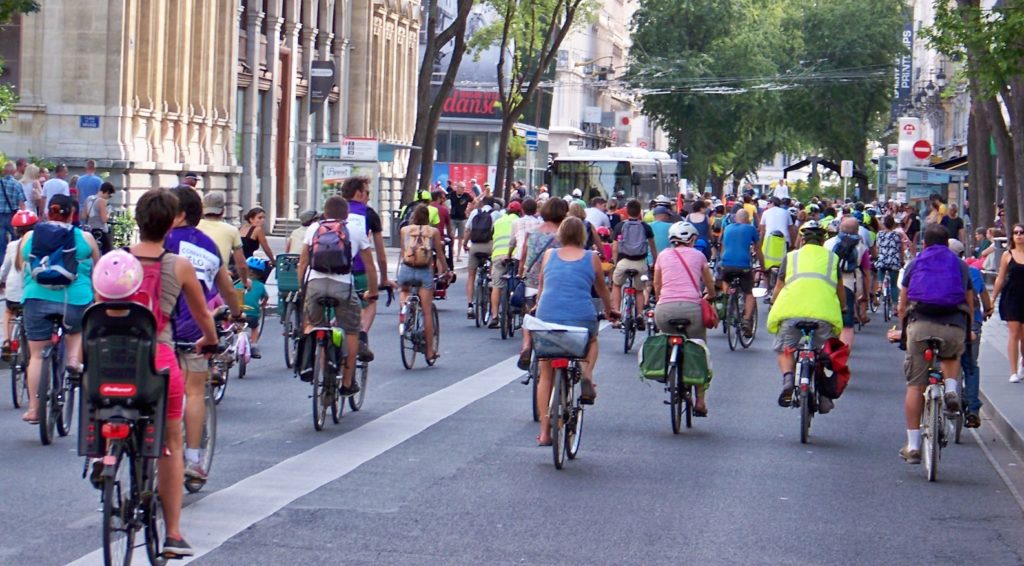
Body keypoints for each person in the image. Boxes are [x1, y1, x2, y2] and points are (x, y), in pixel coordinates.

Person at [105, 188, 219, 557]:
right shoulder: (179, 265)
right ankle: (171, 533)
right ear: (172, 223)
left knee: (103, 407)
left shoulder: (113, 261)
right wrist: (209, 340)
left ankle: (103, 456)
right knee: (170, 443)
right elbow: (203, 316)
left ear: (136, 221)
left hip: (112, 359)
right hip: (159, 359)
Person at [164, 185, 242, 483]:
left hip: (156, 329)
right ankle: (194, 459)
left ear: (178, 214)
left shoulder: (158, 239)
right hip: (193, 331)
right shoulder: (207, 246)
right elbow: (227, 288)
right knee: (195, 391)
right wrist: (236, 314)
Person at [16, 194, 100, 424]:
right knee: (75, 332)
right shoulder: (84, 237)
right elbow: (99, 268)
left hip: (36, 299)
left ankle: (34, 409)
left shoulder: (30, 236)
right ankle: (73, 361)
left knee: (36, 356)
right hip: (74, 300)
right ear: (71, 214)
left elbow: (21, 262)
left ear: (47, 213)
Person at [534, 217, 617, 445]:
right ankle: (587, 375)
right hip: (581, 318)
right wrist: (611, 311)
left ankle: (544, 432)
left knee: (546, 372)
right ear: (583, 236)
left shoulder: (549, 255)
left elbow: (543, 287)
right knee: (592, 341)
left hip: (548, 317)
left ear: (561, 235)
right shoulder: (592, 258)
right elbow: (602, 290)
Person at [898, 224, 972, 464]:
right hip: (952, 326)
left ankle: (913, 445)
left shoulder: (916, 262)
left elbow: (903, 303)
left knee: (915, 385)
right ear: (948, 243)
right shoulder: (960, 265)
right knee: (951, 356)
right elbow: (969, 303)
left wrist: (903, 330)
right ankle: (951, 389)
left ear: (925, 243)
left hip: (920, 325)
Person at [296, 195, 378, 395]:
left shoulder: (314, 228)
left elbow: (303, 263)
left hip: (315, 285)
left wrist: (303, 289)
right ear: (346, 214)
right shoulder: (355, 230)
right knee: (351, 330)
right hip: (342, 286)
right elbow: (369, 266)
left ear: (325, 212)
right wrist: (373, 292)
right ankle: (347, 382)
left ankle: (314, 366)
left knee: (313, 324)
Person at [767, 221, 846, 411]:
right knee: (824, 353)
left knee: (786, 348)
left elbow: (778, 288)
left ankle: (788, 379)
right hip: (823, 314)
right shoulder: (832, 259)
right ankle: (824, 395)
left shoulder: (791, 257)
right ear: (823, 240)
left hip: (791, 311)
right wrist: (842, 308)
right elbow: (840, 290)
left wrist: (772, 304)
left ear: (802, 239)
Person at [653, 221, 717, 415]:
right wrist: (711, 295)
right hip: (692, 309)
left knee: (665, 338)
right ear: (692, 239)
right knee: (699, 349)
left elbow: (657, 284)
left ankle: (666, 368)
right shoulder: (698, 256)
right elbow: (709, 283)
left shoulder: (663, 256)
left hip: (665, 309)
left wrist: (661, 299)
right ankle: (700, 401)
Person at [341, 177, 392, 361]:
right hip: (360, 271)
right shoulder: (369, 214)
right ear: (359, 193)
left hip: (331, 272)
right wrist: (384, 279)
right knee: (370, 301)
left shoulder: (334, 211)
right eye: (367, 193)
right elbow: (380, 254)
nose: (368, 197)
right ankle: (361, 335)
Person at [516, 198, 568, 369]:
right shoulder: (562, 236)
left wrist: (520, 273)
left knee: (529, 314)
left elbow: (524, 255)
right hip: (554, 281)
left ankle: (526, 346)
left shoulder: (532, 233)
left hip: (531, 280)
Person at [396, 204, 449, 362]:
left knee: (404, 291)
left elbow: (403, 251)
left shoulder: (404, 230)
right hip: (424, 271)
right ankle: (429, 352)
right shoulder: (433, 232)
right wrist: (446, 270)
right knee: (426, 312)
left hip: (406, 269)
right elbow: (439, 254)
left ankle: (405, 312)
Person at [949, 238, 991, 428]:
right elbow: (983, 296)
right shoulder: (973, 271)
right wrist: (988, 310)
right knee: (971, 367)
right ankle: (973, 410)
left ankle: (943, 394)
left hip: (949, 323)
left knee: (943, 361)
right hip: (972, 323)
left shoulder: (944, 272)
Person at [824, 217, 871, 347]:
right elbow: (866, 273)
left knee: (826, 319)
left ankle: (826, 348)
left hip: (828, 283)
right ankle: (842, 356)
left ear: (839, 228)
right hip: (849, 285)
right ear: (858, 231)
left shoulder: (828, 244)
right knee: (847, 324)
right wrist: (866, 296)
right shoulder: (862, 247)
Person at [610, 199, 656, 324]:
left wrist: (615, 263)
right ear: (639, 212)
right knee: (639, 289)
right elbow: (652, 247)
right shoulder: (646, 227)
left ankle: (616, 315)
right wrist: (655, 262)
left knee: (616, 284)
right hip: (640, 263)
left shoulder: (620, 226)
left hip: (623, 261)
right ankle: (640, 314)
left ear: (627, 211)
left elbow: (615, 248)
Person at [719, 209, 762, 336]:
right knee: (749, 292)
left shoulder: (727, 228)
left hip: (726, 264)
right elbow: (758, 250)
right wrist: (763, 267)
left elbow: (723, 248)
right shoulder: (751, 229)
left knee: (725, 280)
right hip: (743, 265)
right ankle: (746, 321)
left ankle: (728, 299)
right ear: (748, 219)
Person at [0, 210, 37, 356]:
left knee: (9, 311)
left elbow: (5, 268)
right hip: (31, 293)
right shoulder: (39, 245)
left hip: (13, 292)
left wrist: (1, 281)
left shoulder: (12, 246)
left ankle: (7, 340)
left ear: (15, 229)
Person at [992, 223, 1024, 383]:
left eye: (1022, 232)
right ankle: (1012, 371)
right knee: (1014, 332)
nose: (1019, 235)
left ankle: (1022, 362)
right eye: (1015, 232)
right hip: (1011, 296)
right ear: (1012, 236)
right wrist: (992, 298)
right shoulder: (1007, 255)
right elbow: (1000, 278)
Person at [198, 190, 249, 289]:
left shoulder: (194, 227)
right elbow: (241, 264)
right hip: (220, 282)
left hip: (196, 282)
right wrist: (245, 281)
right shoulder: (232, 230)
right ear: (222, 211)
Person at [462, 197, 501, 320]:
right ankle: (490, 281)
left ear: (482, 203)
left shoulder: (474, 213)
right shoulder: (497, 214)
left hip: (475, 246)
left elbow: (468, 230)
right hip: (490, 246)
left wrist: (465, 244)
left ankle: (469, 305)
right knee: (493, 268)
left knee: (471, 276)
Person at [487, 201, 521, 328]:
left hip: (498, 255)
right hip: (513, 255)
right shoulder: (518, 221)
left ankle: (495, 316)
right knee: (518, 280)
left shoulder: (498, 221)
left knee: (497, 286)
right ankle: (516, 308)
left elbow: (493, 238)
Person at [236, 257, 270, 358]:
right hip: (253, 315)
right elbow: (266, 297)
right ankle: (254, 345)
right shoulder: (261, 286)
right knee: (254, 327)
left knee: (239, 325)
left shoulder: (238, 284)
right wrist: (263, 304)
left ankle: (240, 338)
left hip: (239, 313)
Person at [873, 215, 906, 303]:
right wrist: (902, 261)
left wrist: (877, 258)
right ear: (893, 224)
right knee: (894, 285)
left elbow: (877, 248)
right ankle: (895, 306)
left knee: (880, 267)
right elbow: (901, 250)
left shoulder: (879, 234)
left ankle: (880, 285)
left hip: (882, 259)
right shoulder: (897, 235)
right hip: (894, 261)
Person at [82, 181, 116, 254]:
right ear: (106, 192)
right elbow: (104, 220)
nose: (108, 198)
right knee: (108, 252)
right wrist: (109, 212)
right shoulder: (101, 201)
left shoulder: (89, 198)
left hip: (90, 230)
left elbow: (83, 216)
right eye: (109, 195)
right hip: (100, 231)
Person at [448, 181, 476, 263]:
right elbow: (444, 199)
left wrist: (469, 209)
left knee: (461, 237)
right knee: (452, 236)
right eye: (461, 187)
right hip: (452, 218)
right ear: (457, 187)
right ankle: (452, 253)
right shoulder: (452, 194)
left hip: (462, 219)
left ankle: (458, 256)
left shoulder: (466, 195)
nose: (463, 189)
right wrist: (448, 209)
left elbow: (475, 202)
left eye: (464, 188)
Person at [0, 161, 27, 245]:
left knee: (1, 242)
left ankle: (2, 257)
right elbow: (21, 203)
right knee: (15, 240)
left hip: (0, 215)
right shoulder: (17, 184)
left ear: (4, 171)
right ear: (14, 172)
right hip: (12, 215)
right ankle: (13, 256)